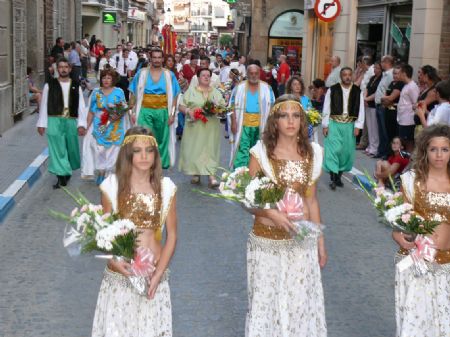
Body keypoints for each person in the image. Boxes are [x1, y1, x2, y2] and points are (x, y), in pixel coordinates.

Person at [246, 95, 327, 337]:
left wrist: (320, 243)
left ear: (302, 121)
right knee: (266, 304)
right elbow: (249, 200)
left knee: (299, 304)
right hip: (266, 242)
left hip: (301, 242)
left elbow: (311, 200)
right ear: (275, 121)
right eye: (284, 115)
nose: (290, 121)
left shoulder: (312, 154)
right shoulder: (260, 154)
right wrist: (272, 213)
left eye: (296, 115)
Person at [92, 127, 177, 337]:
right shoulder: (112, 187)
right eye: (137, 151)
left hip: (153, 277)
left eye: (149, 150)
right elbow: (104, 236)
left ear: (156, 155)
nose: (144, 156)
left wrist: (158, 274)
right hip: (122, 276)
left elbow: (172, 235)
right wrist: (113, 261)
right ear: (127, 154)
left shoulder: (166, 188)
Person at [393, 124, 450, 337]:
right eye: (433, 149)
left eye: (445, 149)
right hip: (417, 263)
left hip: (447, 266)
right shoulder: (411, 181)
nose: (439, 155)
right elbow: (398, 224)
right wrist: (398, 236)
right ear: (424, 151)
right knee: (415, 326)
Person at [36, 57, 87, 189]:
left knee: (71, 148)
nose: (63, 69)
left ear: (69, 69)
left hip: (70, 120)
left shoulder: (76, 85)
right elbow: (44, 105)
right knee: (57, 148)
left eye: (66, 67)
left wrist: (82, 124)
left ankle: (67, 168)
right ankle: (61, 176)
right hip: (54, 119)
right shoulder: (49, 85)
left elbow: (81, 105)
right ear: (57, 69)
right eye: (61, 67)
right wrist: (42, 123)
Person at [129, 49, 181, 169]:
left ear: (162, 59)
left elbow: (175, 95)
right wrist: (132, 112)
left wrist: (172, 114)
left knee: (162, 140)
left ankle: (159, 167)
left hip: (163, 111)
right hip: (144, 111)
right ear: (150, 58)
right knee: (144, 138)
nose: (157, 60)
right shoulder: (141, 73)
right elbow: (133, 93)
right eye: (154, 57)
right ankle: (144, 166)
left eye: (159, 57)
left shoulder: (169, 74)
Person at [177, 68, 226, 187]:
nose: (206, 77)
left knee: (210, 149)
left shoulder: (216, 92)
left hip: (211, 126)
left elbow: (222, 107)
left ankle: (211, 176)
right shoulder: (191, 91)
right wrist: (189, 111)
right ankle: (196, 173)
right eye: (203, 75)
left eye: (208, 75)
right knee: (196, 148)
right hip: (195, 126)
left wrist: (218, 110)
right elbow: (181, 106)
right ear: (198, 78)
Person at [81, 68, 128, 184]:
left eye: (109, 78)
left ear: (113, 79)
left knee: (113, 150)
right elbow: (91, 111)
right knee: (99, 150)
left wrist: (118, 115)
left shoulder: (119, 92)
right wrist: (87, 126)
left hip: (115, 126)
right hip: (100, 124)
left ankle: (109, 174)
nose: (106, 80)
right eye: (104, 78)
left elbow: (123, 108)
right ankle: (101, 171)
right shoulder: (96, 92)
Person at [322, 67, 365, 190]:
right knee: (333, 150)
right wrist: (325, 125)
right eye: (344, 75)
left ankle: (339, 176)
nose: (347, 77)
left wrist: (358, 126)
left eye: (349, 74)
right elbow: (326, 107)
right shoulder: (333, 89)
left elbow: (361, 109)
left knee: (345, 152)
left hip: (349, 125)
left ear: (352, 76)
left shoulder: (357, 91)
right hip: (334, 123)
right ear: (341, 77)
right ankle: (333, 177)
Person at [230, 64, 275, 168]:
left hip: (261, 124)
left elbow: (272, 107)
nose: (254, 76)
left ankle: (256, 175)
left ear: (259, 74)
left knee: (258, 151)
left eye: (256, 73)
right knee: (242, 150)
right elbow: (231, 106)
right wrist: (233, 121)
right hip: (243, 124)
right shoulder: (239, 88)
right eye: (251, 73)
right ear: (247, 73)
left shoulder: (267, 88)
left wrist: (270, 125)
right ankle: (240, 175)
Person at [396, 64, 420, 154]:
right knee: (404, 141)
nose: (398, 75)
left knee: (409, 142)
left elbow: (415, 103)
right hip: (402, 119)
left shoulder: (412, 86)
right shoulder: (406, 85)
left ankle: (409, 161)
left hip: (409, 120)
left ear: (404, 73)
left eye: (400, 73)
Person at [374, 55, 394, 159]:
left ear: (387, 62)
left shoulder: (390, 74)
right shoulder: (385, 74)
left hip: (383, 105)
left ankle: (386, 152)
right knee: (380, 130)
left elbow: (387, 90)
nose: (381, 64)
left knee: (385, 130)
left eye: (382, 62)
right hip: (378, 104)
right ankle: (381, 151)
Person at [380, 65, 404, 147]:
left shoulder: (400, 84)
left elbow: (391, 98)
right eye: (394, 73)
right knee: (387, 132)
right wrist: (385, 99)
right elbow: (386, 96)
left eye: (397, 74)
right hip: (388, 109)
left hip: (395, 111)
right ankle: (389, 152)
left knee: (394, 133)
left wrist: (385, 98)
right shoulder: (392, 83)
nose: (395, 75)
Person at [285, 75, 315, 140]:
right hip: (291, 126)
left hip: (304, 128)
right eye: (295, 84)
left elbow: (311, 113)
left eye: (299, 84)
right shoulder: (286, 99)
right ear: (290, 86)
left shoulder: (306, 99)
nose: (297, 86)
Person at [363, 62, 382, 157]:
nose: (375, 69)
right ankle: (370, 146)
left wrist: (367, 99)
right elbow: (367, 88)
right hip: (367, 104)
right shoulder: (372, 78)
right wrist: (364, 98)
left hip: (373, 104)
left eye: (377, 68)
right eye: (375, 67)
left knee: (374, 128)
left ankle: (375, 148)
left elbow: (377, 93)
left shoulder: (381, 79)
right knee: (369, 127)